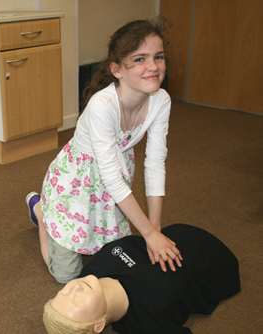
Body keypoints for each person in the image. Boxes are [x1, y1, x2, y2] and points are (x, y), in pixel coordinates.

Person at [26, 19, 181, 284]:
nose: (153, 66)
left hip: (114, 181)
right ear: (117, 69)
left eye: (158, 57)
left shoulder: (161, 100)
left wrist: (154, 230)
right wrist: (148, 236)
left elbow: (155, 163)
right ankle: (42, 211)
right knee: (69, 277)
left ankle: (61, 218)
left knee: (110, 261)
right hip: (76, 182)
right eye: (140, 59)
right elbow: (110, 178)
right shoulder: (102, 106)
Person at [43, 224, 241, 334]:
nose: (75, 288)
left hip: (174, 233)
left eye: (64, 291)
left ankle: (42, 214)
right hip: (214, 261)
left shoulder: (89, 275)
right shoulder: (147, 321)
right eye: (76, 301)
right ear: (98, 325)